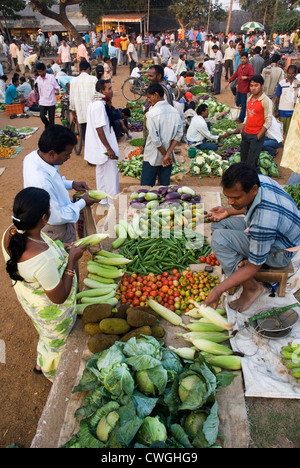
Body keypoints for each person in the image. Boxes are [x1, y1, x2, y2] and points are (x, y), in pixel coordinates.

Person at [2, 187, 89, 381]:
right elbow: (58, 297)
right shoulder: (42, 259)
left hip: (33, 304)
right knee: (57, 343)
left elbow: (45, 245)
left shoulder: (12, 232)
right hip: (52, 313)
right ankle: (54, 373)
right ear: (44, 217)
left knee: (45, 333)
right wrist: (71, 261)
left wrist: (64, 247)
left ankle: (40, 363)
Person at [204, 163, 300, 312]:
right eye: (227, 197)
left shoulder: (264, 222)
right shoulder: (260, 180)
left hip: (280, 252)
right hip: (276, 234)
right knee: (219, 223)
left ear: (253, 189)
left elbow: (253, 266)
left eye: (235, 198)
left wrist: (218, 290)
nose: (229, 202)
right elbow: (249, 203)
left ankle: (252, 288)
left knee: (219, 239)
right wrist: (228, 211)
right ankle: (244, 259)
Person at [23, 125, 97, 249]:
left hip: (50, 221)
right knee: (66, 262)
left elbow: (53, 180)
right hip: (54, 230)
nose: (68, 157)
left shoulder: (34, 157)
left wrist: (71, 184)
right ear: (52, 153)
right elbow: (57, 216)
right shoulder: (41, 181)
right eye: (66, 154)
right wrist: (83, 202)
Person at [84, 79, 120, 205]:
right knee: (111, 174)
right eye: (108, 89)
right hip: (103, 147)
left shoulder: (95, 103)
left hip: (99, 146)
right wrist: (108, 148)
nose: (111, 91)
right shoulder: (99, 105)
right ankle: (112, 201)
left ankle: (103, 200)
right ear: (101, 91)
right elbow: (99, 128)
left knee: (101, 173)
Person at [140, 83, 183, 187]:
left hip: (153, 155)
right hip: (167, 157)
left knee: (146, 187)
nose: (149, 101)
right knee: (164, 188)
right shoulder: (174, 112)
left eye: (149, 97)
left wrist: (165, 154)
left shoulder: (151, 114)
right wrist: (168, 154)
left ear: (156, 95)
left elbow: (155, 140)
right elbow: (178, 135)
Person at [239, 75, 272, 170]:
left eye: (256, 85)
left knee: (251, 163)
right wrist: (243, 127)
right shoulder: (249, 99)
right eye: (251, 85)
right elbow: (247, 115)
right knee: (243, 161)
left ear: (262, 86)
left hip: (256, 136)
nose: (253, 88)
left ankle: (252, 182)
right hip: (246, 134)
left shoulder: (266, 101)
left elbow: (268, 121)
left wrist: (258, 136)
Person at [69, 60, 98, 144]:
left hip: (81, 113)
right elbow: (97, 95)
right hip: (93, 112)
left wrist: (73, 112)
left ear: (79, 69)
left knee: (85, 133)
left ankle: (88, 150)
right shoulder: (93, 79)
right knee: (94, 133)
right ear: (88, 69)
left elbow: (72, 99)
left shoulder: (73, 81)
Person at [226, 52, 255, 123]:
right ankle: (238, 115)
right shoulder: (239, 66)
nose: (243, 60)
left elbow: (252, 76)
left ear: (247, 59)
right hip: (239, 88)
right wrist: (229, 81)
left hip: (245, 89)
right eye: (242, 58)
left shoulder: (249, 67)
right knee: (238, 102)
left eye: (244, 58)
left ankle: (241, 119)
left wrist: (246, 77)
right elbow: (235, 74)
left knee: (244, 104)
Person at [274, 64, 300, 137]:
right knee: (282, 131)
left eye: (292, 73)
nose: (290, 75)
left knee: (291, 130)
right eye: (289, 73)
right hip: (283, 110)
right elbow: (277, 97)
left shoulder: (298, 83)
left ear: (295, 74)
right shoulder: (282, 83)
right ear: (286, 73)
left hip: (293, 111)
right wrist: (276, 110)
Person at [35, 62, 60, 128]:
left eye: (40, 71)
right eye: (38, 72)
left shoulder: (51, 77)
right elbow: (39, 90)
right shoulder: (38, 79)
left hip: (51, 101)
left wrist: (57, 90)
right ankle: (48, 126)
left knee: (51, 119)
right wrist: (39, 100)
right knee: (42, 116)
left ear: (44, 70)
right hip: (43, 101)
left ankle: (51, 131)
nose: (39, 73)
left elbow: (57, 86)